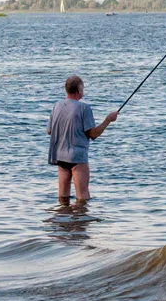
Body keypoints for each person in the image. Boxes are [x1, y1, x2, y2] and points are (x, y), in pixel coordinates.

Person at [47, 75, 118, 205]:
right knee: (82, 197)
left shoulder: (56, 106)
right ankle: (80, 222)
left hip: (60, 156)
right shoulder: (84, 108)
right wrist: (108, 120)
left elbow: (49, 131)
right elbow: (93, 134)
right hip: (77, 157)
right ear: (79, 91)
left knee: (63, 197)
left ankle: (63, 223)